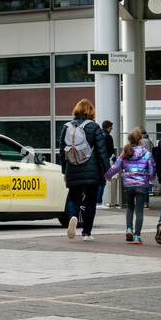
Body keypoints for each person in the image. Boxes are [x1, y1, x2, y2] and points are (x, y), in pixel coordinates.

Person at [60, 98, 111, 240]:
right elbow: (102, 152)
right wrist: (108, 171)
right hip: (92, 171)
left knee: (73, 197)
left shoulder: (66, 127)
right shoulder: (94, 127)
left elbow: (62, 151)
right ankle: (86, 233)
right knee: (90, 201)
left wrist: (65, 170)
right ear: (91, 111)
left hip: (73, 169)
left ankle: (73, 216)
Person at [105, 128, 156, 244]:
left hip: (128, 185)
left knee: (129, 208)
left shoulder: (125, 152)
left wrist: (108, 175)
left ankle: (129, 229)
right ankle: (137, 236)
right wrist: (151, 179)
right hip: (142, 185)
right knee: (139, 211)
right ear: (140, 140)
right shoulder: (147, 153)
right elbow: (152, 168)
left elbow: (116, 166)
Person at [96, 120, 117, 207]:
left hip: (96, 161)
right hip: (104, 161)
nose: (112, 128)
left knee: (97, 182)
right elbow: (111, 151)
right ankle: (99, 202)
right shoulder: (108, 137)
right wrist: (116, 161)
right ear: (108, 127)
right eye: (111, 127)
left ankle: (96, 201)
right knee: (102, 182)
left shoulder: (98, 135)